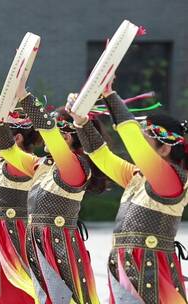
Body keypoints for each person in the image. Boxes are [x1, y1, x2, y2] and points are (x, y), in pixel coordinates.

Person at [66, 79, 188, 303]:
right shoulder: (137, 176)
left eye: (145, 140)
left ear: (165, 147)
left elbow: (132, 140)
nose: (138, 145)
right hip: (125, 266)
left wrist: (109, 94)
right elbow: (101, 156)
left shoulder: (172, 180)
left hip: (150, 270)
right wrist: (81, 122)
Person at [0, 79, 103, 303]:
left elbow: (49, 133)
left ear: (68, 138)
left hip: (60, 248)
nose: (44, 136)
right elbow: (5, 149)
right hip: (38, 245)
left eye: (55, 133)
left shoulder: (76, 167)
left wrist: (24, 95)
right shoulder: (41, 164)